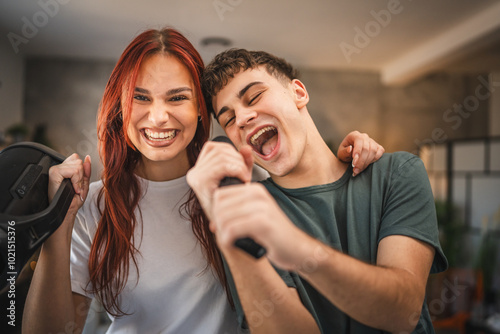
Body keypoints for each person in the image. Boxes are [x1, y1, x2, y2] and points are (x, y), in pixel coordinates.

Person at [22, 28, 383, 333]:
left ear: (200, 109)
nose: (158, 117)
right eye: (141, 98)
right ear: (120, 107)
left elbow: (312, 181)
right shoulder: (92, 205)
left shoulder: (244, 181)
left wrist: (351, 152)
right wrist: (58, 225)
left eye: (177, 97)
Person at [186, 49, 448, 334]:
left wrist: (294, 247)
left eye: (254, 97)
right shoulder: (249, 211)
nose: (242, 118)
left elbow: (402, 313)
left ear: (298, 93)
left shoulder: (397, 173)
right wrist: (231, 237)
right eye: (228, 119)